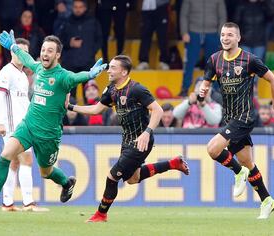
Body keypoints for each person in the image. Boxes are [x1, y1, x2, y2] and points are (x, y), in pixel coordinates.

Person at [0, 30, 107, 215]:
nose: (45, 53)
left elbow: (78, 77)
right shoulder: (38, 68)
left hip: (48, 135)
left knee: (46, 172)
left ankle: (67, 183)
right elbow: (26, 57)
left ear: (58, 55)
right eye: (43, 49)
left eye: (50, 51)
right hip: (27, 125)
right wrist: (13, 47)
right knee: (5, 156)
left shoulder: (63, 77)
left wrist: (91, 74)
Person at [67, 55, 190, 222]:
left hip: (141, 141)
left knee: (112, 176)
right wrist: (70, 106)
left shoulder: (137, 89)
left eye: (113, 67)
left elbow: (158, 110)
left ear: (124, 71)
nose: (109, 70)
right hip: (127, 140)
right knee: (133, 179)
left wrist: (147, 132)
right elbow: (96, 109)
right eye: (109, 67)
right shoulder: (111, 90)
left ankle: (101, 214)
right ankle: (173, 163)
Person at [199, 22, 274, 219]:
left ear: (238, 38)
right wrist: (201, 92)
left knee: (213, 149)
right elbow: (203, 87)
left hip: (245, 116)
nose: (225, 38)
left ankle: (238, 173)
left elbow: (273, 79)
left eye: (230, 35)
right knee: (248, 161)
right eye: (223, 34)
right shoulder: (214, 60)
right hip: (229, 118)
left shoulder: (250, 60)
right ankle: (266, 200)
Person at [0, 37, 49, 212]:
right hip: (12, 125)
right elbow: (0, 97)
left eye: (24, 51)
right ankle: (28, 203)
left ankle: (7, 203)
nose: (21, 54)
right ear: (12, 51)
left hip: (23, 125)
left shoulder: (23, 76)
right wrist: (1, 122)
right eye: (18, 50)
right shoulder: (6, 72)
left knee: (14, 163)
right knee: (26, 159)